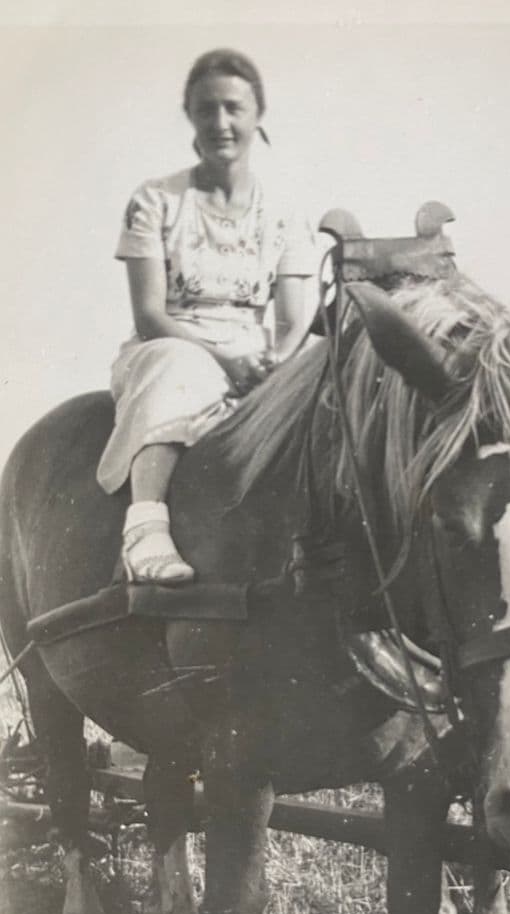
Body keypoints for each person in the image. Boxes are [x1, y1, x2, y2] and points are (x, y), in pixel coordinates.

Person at [97, 49, 317, 584]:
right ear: (190, 116)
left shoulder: (284, 211)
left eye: (234, 108)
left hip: (251, 354)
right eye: (206, 109)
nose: (221, 123)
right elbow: (150, 313)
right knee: (177, 365)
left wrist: (275, 362)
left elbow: (292, 319)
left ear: (257, 113)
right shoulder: (155, 200)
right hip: (170, 348)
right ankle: (145, 527)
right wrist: (225, 360)